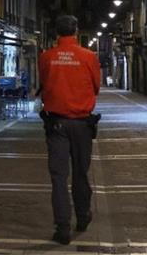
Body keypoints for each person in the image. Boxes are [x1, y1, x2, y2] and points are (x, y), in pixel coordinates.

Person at [39, 15, 102, 245]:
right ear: (76, 31)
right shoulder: (89, 57)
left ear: (56, 32)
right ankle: (83, 216)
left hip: (56, 124)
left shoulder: (46, 57)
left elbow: (45, 85)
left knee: (58, 177)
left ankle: (62, 227)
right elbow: (96, 87)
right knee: (80, 173)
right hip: (82, 124)